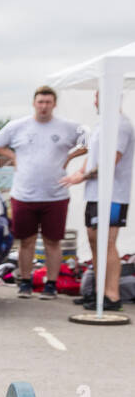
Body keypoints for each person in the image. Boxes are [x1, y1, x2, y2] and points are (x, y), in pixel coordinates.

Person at [0, 87, 84, 300]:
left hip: (55, 194)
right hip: (24, 194)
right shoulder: (18, 126)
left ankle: (51, 283)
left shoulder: (67, 127)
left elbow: (89, 141)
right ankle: (25, 282)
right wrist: (11, 156)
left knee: (53, 241)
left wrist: (71, 157)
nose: (44, 106)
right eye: (40, 102)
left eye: (48, 102)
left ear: (54, 104)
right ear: (34, 103)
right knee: (26, 241)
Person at [62, 91, 133, 312]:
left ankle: (111, 295)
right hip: (95, 193)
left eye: (98, 97)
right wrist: (78, 174)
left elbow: (111, 162)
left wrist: (83, 176)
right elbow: (94, 156)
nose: (94, 102)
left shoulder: (120, 126)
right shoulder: (103, 124)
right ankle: (98, 290)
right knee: (95, 240)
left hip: (113, 194)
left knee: (107, 242)